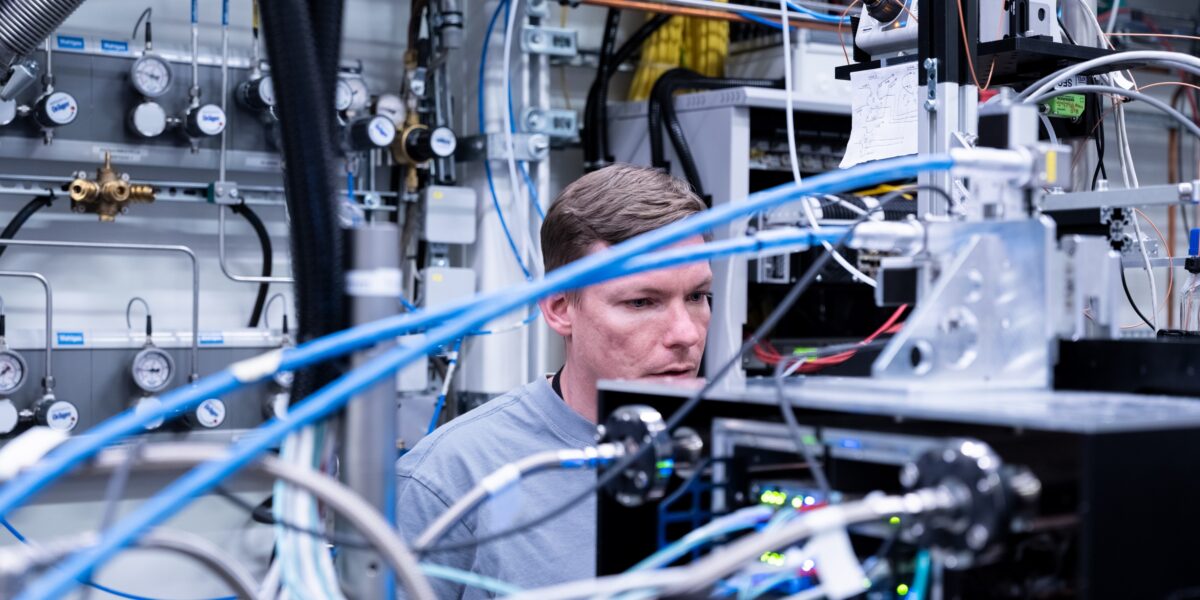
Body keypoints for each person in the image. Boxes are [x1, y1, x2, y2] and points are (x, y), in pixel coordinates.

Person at [394, 164, 712, 598]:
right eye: (642, 301)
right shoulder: (452, 480)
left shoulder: (745, 448)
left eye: (697, 297)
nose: (687, 334)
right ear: (561, 308)